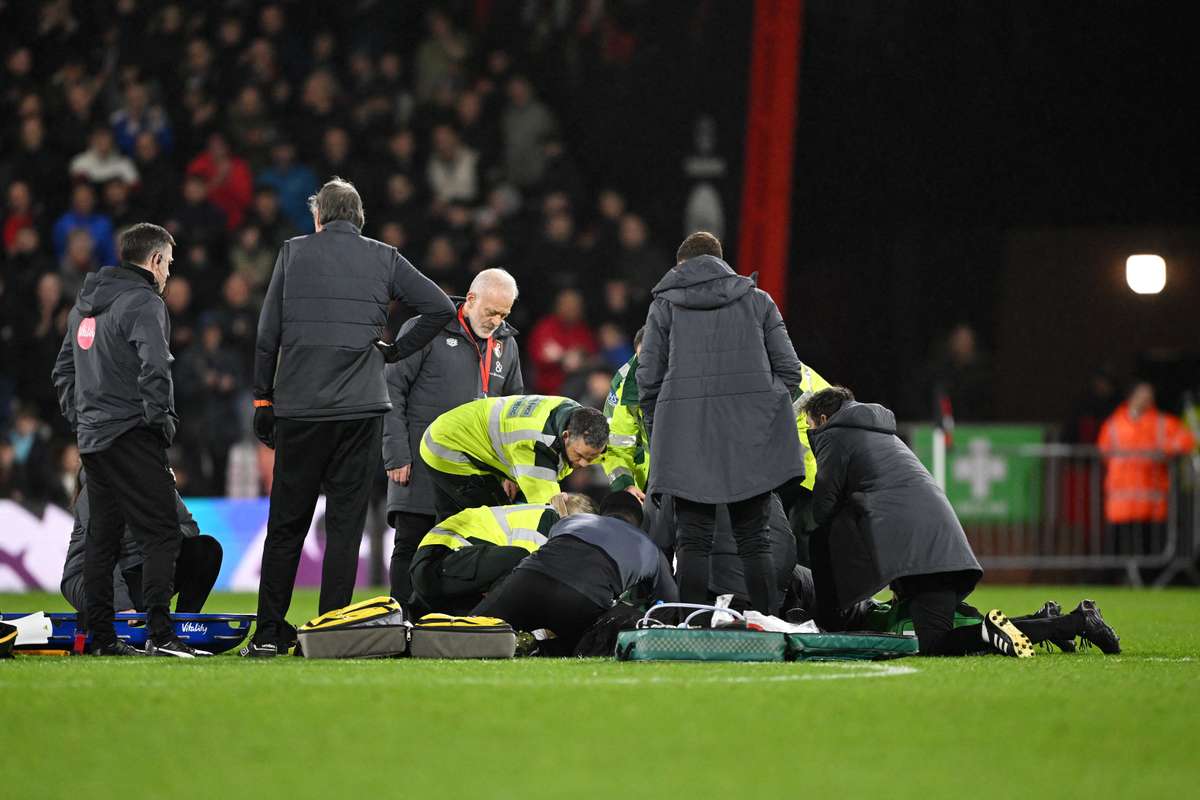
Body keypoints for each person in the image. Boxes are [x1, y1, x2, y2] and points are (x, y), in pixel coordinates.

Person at [245, 178, 454, 658]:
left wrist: (262, 399)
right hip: (362, 411)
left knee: (286, 526)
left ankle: (269, 634)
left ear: (319, 218)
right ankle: (329, 633)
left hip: (300, 411)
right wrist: (394, 350)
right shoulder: (385, 257)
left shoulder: (294, 253)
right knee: (344, 527)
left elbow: (266, 333)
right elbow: (440, 306)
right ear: (359, 219)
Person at [806, 386, 1059, 657]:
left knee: (933, 642)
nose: (810, 433)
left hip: (923, 555)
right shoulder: (880, 435)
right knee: (938, 633)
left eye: (809, 426)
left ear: (822, 419)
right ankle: (1055, 624)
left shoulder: (836, 434)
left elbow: (823, 508)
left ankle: (998, 629)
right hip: (940, 546)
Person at [51, 223, 205, 657]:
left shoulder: (83, 308)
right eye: (168, 264)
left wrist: (83, 421)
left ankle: (102, 639)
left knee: (101, 540)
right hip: (132, 434)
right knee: (161, 534)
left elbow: (63, 371)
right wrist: (160, 424)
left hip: (94, 442)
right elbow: (155, 368)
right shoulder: (144, 303)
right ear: (155, 260)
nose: (168, 274)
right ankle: (162, 634)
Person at [638, 231, 804, 614]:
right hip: (749, 440)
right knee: (755, 539)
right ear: (721, 261)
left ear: (682, 266)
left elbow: (647, 380)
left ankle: (693, 627)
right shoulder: (759, 302)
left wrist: (661, 427)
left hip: (686, 438)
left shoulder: (665, 307)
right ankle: (768, 626)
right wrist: (759, 413)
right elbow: (790, 373)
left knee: (693, 541)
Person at [383, 269, 524, 603]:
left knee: (466, 549)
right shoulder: (425, 328)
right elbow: (391, 389)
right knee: (411, 543)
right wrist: (396, 453)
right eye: (492, 312)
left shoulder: (507, 345)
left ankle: (451, 626)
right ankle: (401, 621)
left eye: (504, 314)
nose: (496, 321)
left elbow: (514, 411)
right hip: (419, 463)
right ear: (471, 300)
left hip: (476, 475)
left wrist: (510, 469)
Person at [472, 492, 677, 655]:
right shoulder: (651, 549)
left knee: (471, 630)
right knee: (598, 637)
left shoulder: (572, 521)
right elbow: (669, 604)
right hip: (580, 600)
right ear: (638, 522)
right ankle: (537, 649)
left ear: (602, 513)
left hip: (527, 581)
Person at [419, 394, 608, 519]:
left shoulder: (573, 414)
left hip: (466, 429)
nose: (583, 464)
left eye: (591, 458)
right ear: (565, 436)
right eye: (580, 455)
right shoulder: (535, 448)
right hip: (448, 445)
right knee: (491, 522)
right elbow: (549, 515)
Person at [61, 470, 222, 615]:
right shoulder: (95, 491)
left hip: (140, 567)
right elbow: (102, 553)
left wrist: (162, 537)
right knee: (143, 598)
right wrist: (122, 604)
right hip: (90, 575)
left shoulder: (157, 479)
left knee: (207, 550)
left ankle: (184, 626)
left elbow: (189, 527)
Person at [410, 493, 594, 614]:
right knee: (523, 565)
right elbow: (527, 577)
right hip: (442, 562)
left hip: (438, 567)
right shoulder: (548, 521)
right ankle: (486, 624)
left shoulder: (537, 513)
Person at [1097, 381, 1195, 553]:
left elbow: (1186, 440)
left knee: (1150, 548)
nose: (1145, 399)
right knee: (1118, 547)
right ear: (1131, 397)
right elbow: (1103, 451)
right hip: (1121, 501)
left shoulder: (1161, 423)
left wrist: (1165, 451)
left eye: (1149, 395)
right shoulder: (1114, 424)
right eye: (1142, 394)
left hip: (1151, 502)